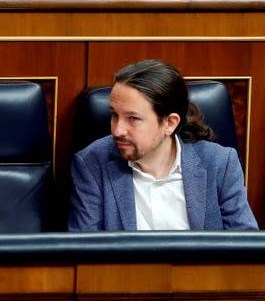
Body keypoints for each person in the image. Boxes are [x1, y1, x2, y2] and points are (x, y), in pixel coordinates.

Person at [69, 59, 258, 231]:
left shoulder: (220, 163)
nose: (117, 130)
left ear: (170, 123)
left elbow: (244, 250)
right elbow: (85, 255)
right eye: (114, 115)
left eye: (133, 118)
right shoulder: (91, 165)